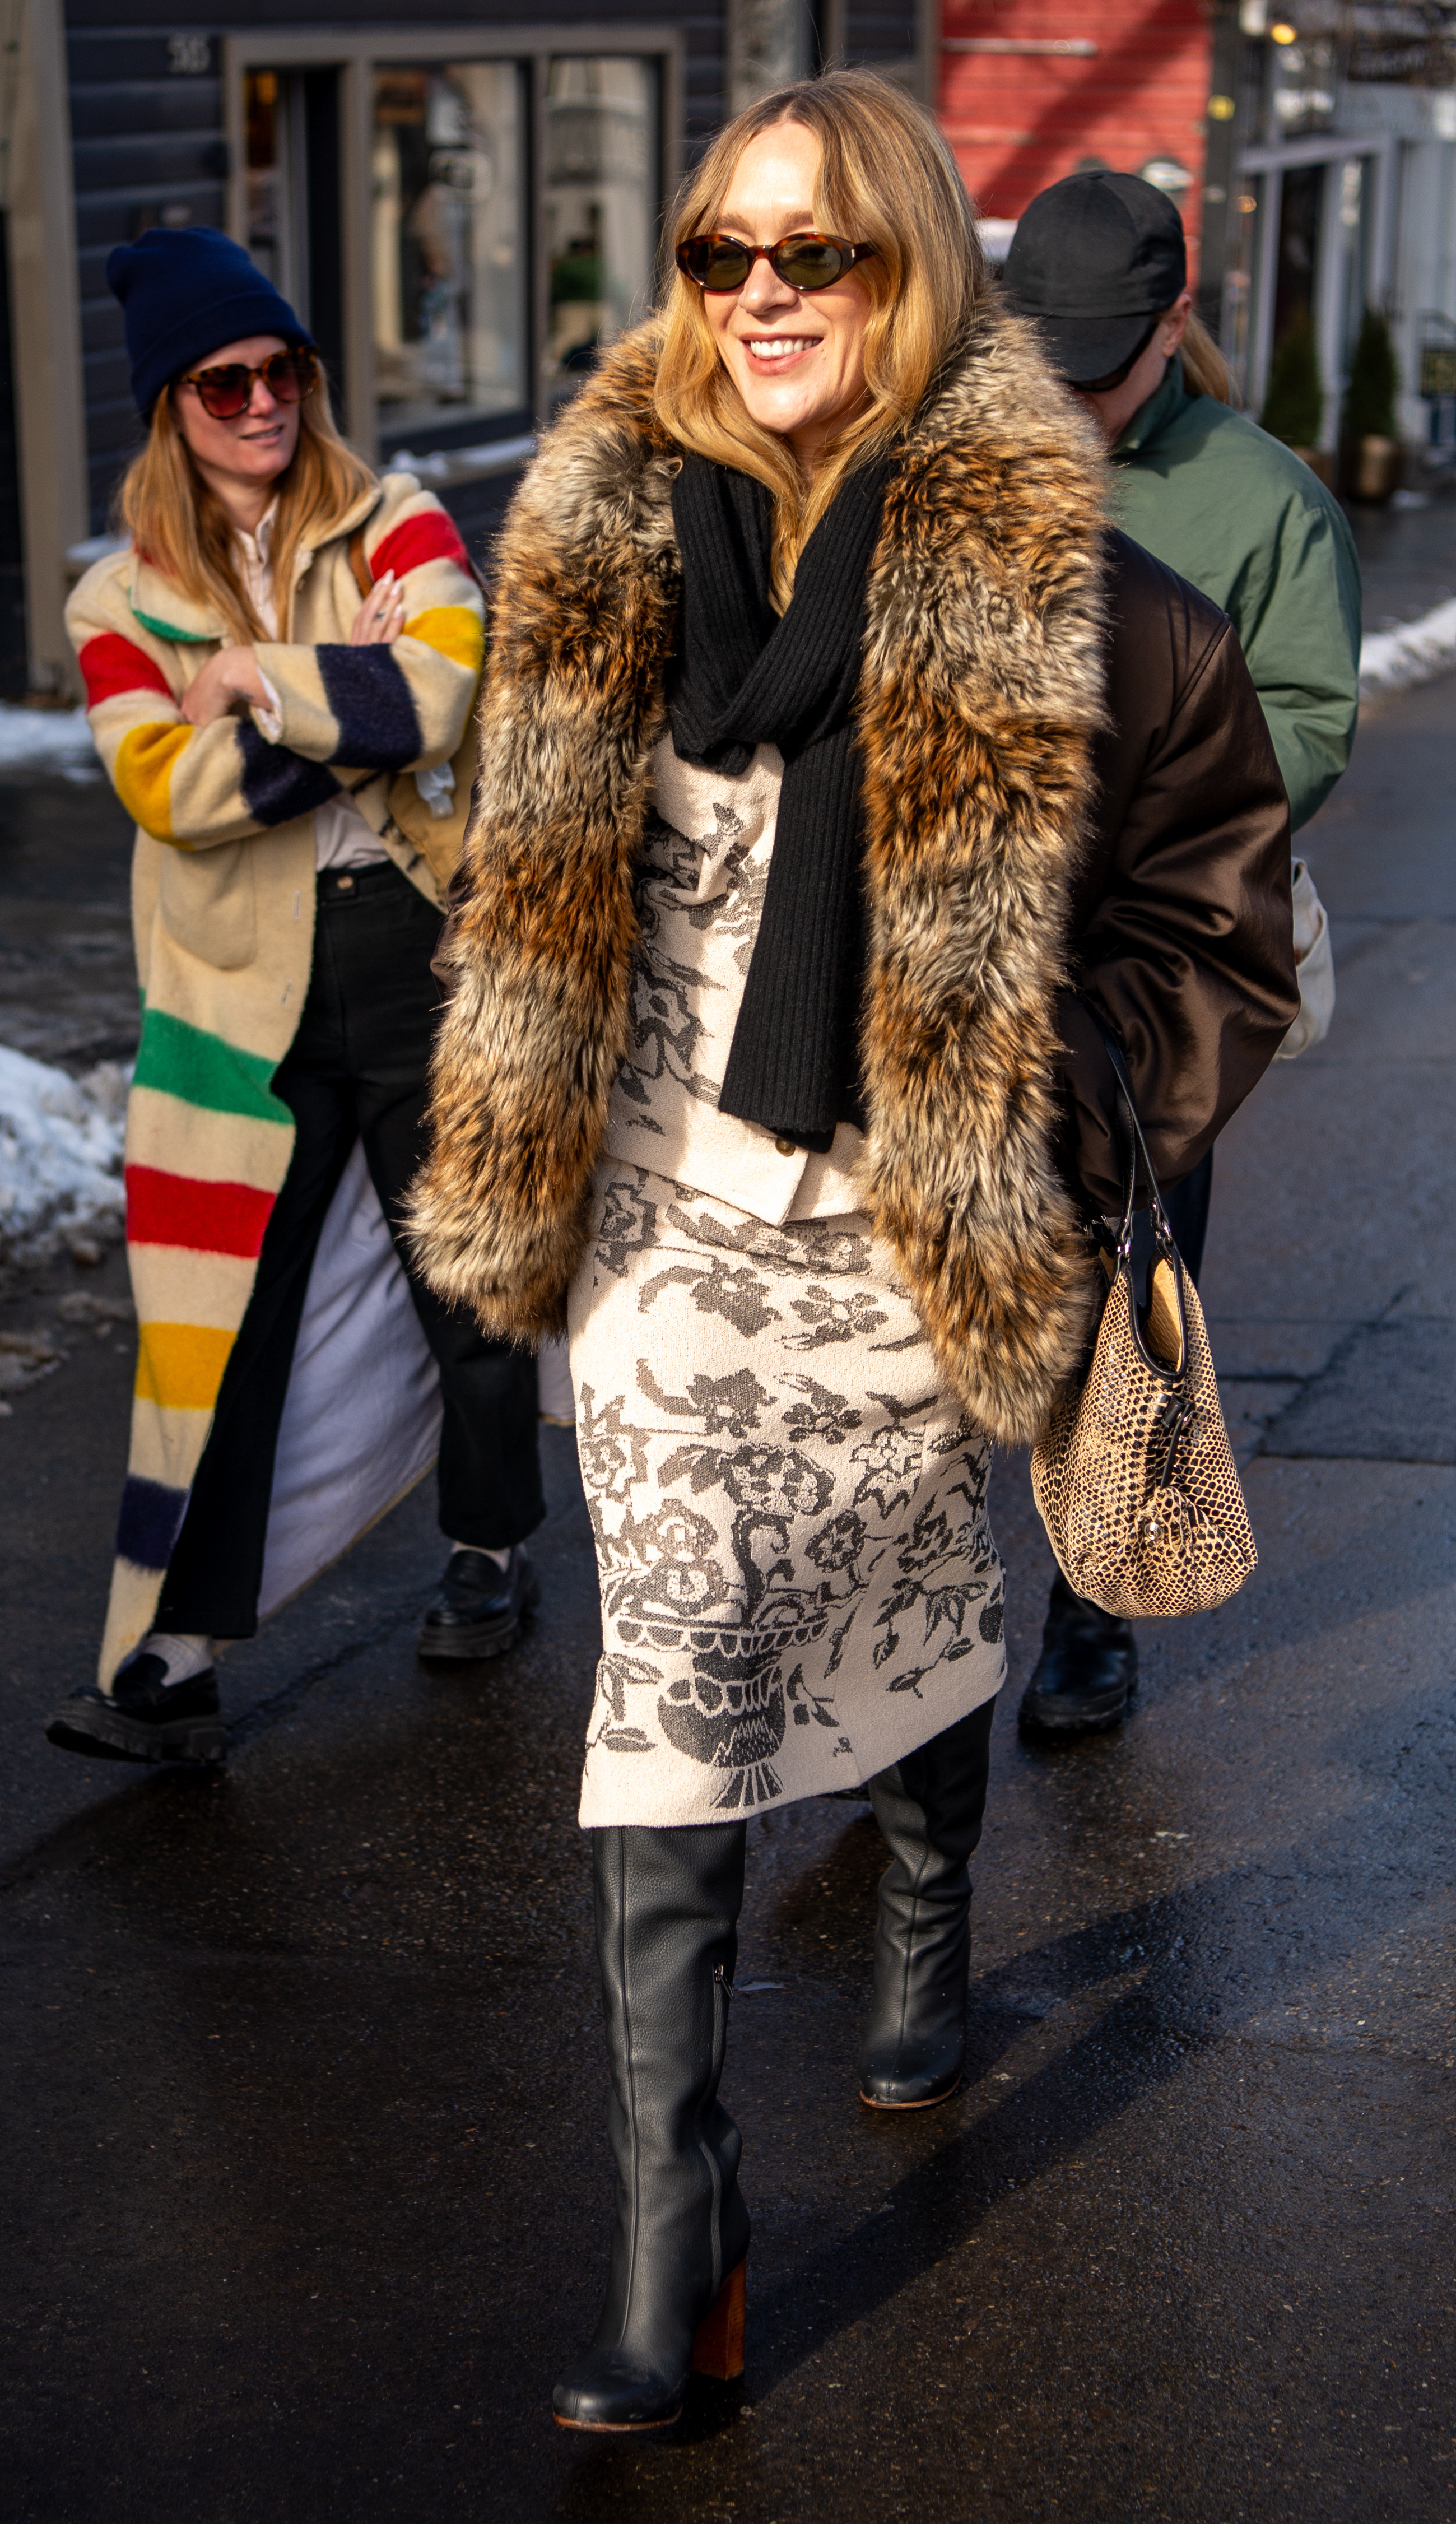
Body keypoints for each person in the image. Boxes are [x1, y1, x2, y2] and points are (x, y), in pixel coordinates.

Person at [410, 71, 1297, 2430]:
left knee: (909, 1607)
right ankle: (670, 2236)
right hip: (658, 1242)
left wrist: (1052, 1089)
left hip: (910, 1251)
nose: (765, 296)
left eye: (820, 255)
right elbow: (536, 870)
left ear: (909, 272)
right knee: (672, 1686)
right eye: (722, 253)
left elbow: (1221, 923)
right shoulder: (586, 552)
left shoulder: (1089, 604)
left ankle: (924, 1892)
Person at [45, 226, 544, 1770]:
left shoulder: (395, 515)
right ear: (169, 408)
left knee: (466, 1279)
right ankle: (175, 1656)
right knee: (221, 1321)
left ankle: (488, 1551)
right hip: (228, 999)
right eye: (224, 382)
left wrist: (256, 682)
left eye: (284, 372)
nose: (263, 402)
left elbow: (448, 685)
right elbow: (170, 788)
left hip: (415, 953)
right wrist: (349, 694)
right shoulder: (114, 601)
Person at [1003, 170, 1361, 1739]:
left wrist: (1149, 766)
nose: (1071, 395)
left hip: (1155, 960)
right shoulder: (967, 452)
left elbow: (1309, 718)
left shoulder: (1260, 497)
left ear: (1172, 325)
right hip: (976, 956)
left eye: (1103, 362)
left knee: (1134, 1282)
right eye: (1046, 356)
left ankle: (1098, 1608)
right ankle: (912, 1650)